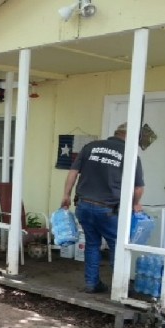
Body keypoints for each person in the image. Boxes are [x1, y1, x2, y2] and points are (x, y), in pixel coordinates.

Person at [61, 122, 145, 293]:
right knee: (116, 245)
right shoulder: (130, 154)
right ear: (128, 136)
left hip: (83, 205)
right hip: (108, 209)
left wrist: (66, 195)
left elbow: (73, 172)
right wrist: (135, 204)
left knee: (92, 244)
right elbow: (138, 188)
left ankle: (91, 283)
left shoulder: (90, 147)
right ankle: (119, 288)